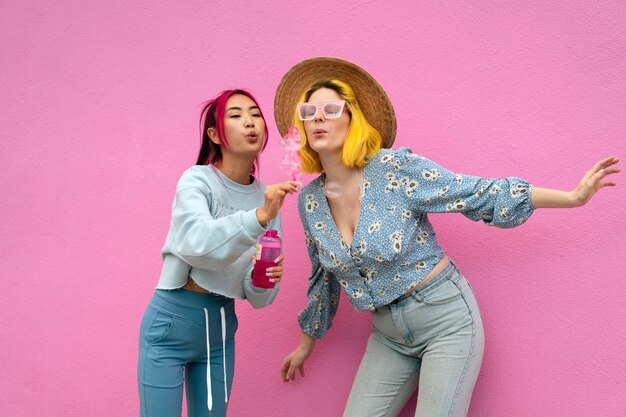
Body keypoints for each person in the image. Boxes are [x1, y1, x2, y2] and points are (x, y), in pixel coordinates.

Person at [275, 57, 620, 417]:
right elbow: (323, 278)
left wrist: (572, 197)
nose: (317, 117)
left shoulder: (393, 170)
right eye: (308, 110)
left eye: (330, 109)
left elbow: (473, 192)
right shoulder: (310, 201)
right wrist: (306, 344)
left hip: (445, 319)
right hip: (387, 334)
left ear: (352, 118)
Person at [138, 89, 298, 417]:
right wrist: (258, 218)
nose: (250, 122)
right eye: (236, 115)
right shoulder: (197, 181)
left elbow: (260, 300)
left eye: (255, 114)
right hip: (171, 322)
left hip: (221, 330)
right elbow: (198, 245)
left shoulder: (268, 199)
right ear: (215, 134)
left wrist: (265, 278)